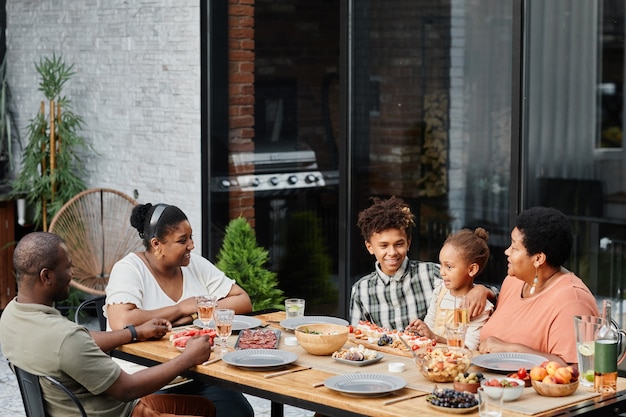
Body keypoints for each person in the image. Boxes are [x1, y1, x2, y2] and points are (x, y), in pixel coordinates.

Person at [0, 232, 216, 417]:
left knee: (205, 407)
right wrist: (188, 358)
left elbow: (80, 341)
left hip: (85, 409)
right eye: (68, 267)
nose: (72, 274)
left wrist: (133, 332)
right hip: (120, 411)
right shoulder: (66, 339)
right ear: (46, 276)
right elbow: (128, 389)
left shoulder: (12, 315)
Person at [105, 203, 254, 417]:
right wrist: (180, 308)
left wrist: (193, 314)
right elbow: (122, 321)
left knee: (240, 413)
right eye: (182, 240)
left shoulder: (194, 265)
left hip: (197, 374)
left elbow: (242, 300)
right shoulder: (129, 269)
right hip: (148, 380)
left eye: (191, 237)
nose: (192, 245)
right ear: (157, 244)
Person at [349, 196, 498, 331]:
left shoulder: (433, 274)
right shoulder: (361, 290)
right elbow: (357, 337)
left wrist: (482, 290)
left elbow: (471, 284)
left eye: (399, 244)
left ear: (408, 243)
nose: (392, 252)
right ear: (370, 247)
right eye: (384, 246)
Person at [478, 206, 599, 365]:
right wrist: (482, 291)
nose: (507, 252)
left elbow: (575, 369)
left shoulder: (572, 301)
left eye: (514, 247)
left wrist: (513, 350)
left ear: (538, 259)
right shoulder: (514, 281)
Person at [405, 228, 494, 350]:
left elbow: (469, 347)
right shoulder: (440, 291)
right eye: (441, 264)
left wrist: (434, 337)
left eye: (449, 267)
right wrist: (420, 330)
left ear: (472, 269)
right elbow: (430, 325)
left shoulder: (477, 307)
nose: (442, 272)